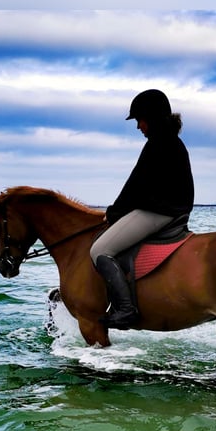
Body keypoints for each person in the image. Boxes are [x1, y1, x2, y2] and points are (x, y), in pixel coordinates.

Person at [90, 89, 195, 329]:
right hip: (173, 210)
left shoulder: (158, 144)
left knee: (100, 250)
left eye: (139, 120)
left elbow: (135, 188)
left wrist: (113, 213)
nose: (138, 126)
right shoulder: (172, 142)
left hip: (160, 212)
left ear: (152, 117)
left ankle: (126, 309)